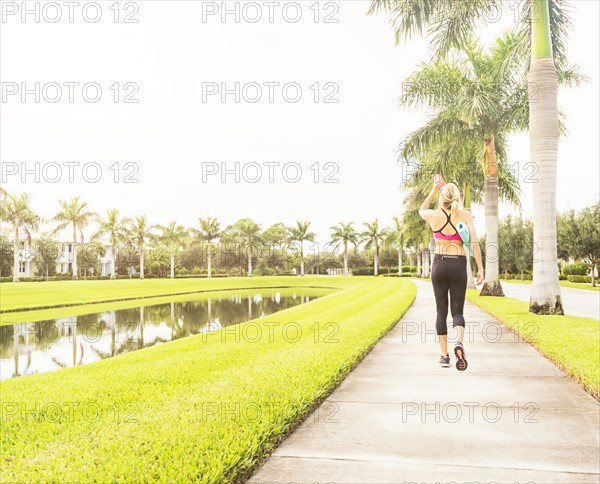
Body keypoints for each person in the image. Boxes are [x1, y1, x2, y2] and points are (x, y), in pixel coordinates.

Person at [418, 178, 484, 371]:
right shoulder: (466, 215)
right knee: (457, 312)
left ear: (441, 198)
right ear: (457, 197)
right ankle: (459, 343)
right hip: (458, 264)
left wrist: (432, 190)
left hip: (439, 264)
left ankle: (444, 356)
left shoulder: (433, 215)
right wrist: (480, 268)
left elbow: (421, 209)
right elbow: (474, 244)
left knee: (441, 311)